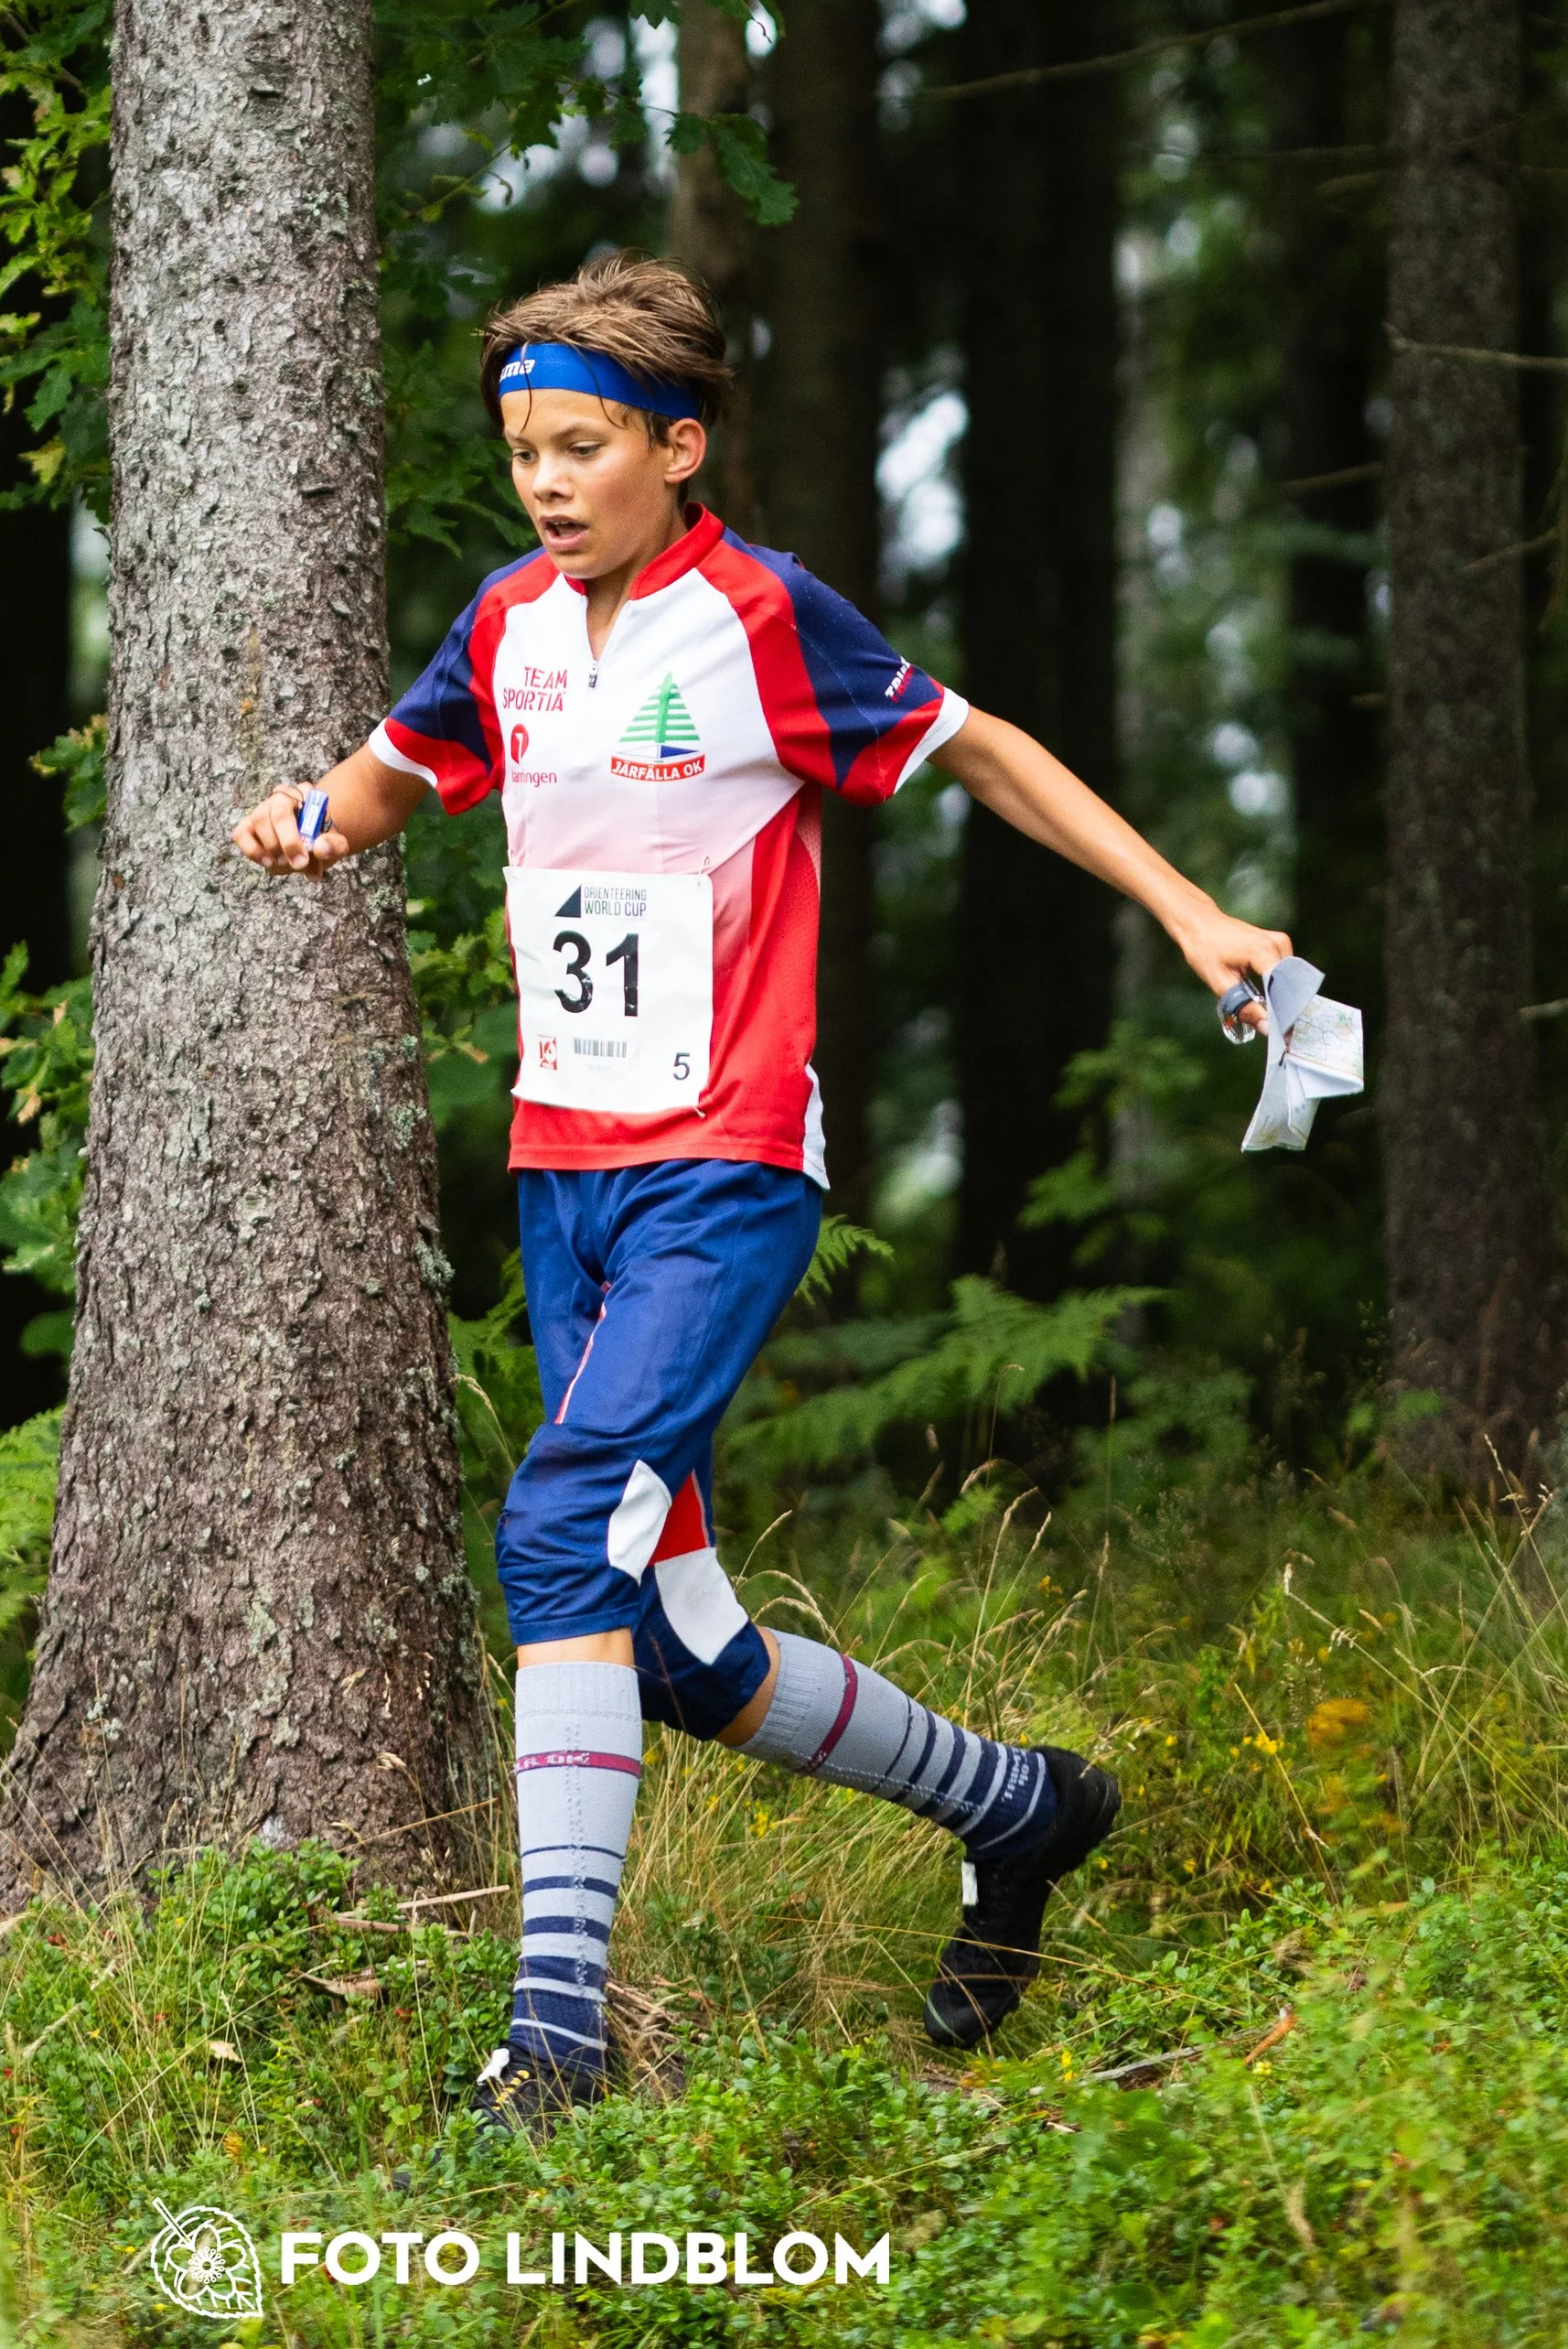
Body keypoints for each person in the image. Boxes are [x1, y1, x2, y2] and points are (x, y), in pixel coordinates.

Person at [231, 252, 1290, 2132]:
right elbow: (402, 775)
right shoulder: (504, 627)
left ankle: (551, 2039)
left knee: (561, 1530)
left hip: (721, 1172)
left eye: (582, 447)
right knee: (672, 1640)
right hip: (562, 1177)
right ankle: (1015, 1807)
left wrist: (1190, 910)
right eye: (522, 450)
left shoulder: (759, 618)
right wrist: (305, 819)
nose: (547, 482)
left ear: (676, 446)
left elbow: (987, 754)